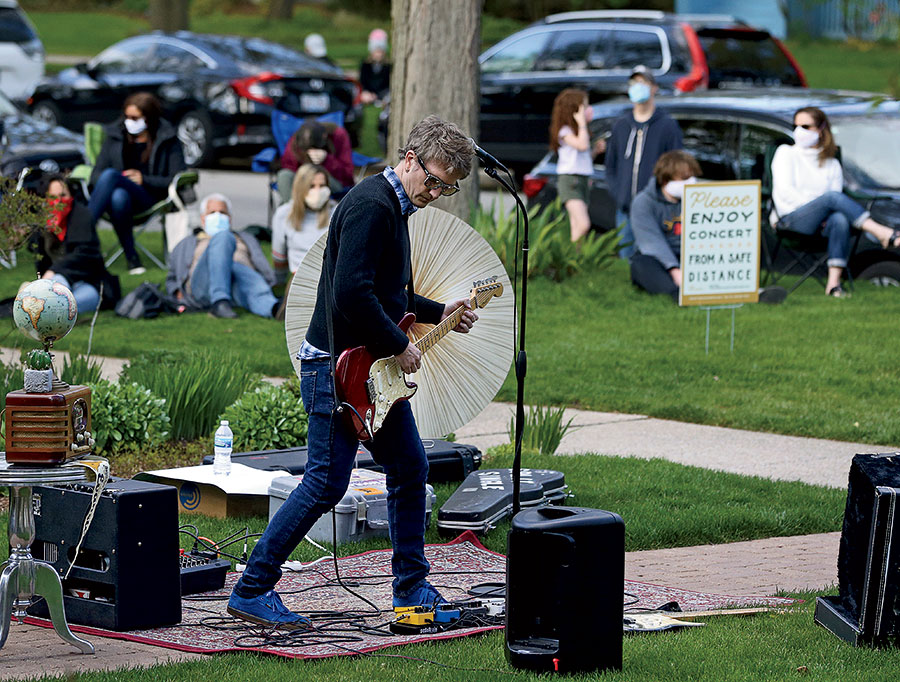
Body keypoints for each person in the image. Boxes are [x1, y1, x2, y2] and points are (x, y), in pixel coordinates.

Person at [227, 115, 478, 629]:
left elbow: (388, 294)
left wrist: (439, 311)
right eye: (433, 179)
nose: (436, 192)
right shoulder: (370, 205)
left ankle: (411, 592)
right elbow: (350, 294)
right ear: (409, 158)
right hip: (337, 368)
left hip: (367, 371)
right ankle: (252, 588)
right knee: (325, 483)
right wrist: (398, 344)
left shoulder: (393, 207)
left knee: (409, 468)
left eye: (447, 187)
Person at [771, 106, 900, 297]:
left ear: (821, 129)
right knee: (831, 199)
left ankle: (833, 285)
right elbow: (784, 195)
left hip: (822, 222)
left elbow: (834, 198)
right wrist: (819, 205)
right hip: (789, 219)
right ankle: (880, 231)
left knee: (839, 218)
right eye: (796, 126)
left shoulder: (831, 163)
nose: (799, 131)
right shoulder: (785, 153)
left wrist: (822, 208)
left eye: (806, 126)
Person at [88, 91, 186, 275]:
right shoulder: (116, 135)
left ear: (148, 118)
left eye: (135, 118)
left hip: (149, 197)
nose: (129, 122)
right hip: (116, 199)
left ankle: (82, 232)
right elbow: (96, 174)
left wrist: (144, 179)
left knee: (111, 176)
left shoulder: (167, 138)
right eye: (126, 117)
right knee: (118, 195)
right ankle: (133, 259)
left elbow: (176, 179)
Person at [605, 66, 683, 259]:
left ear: (654, 88)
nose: (637, 87)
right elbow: (611, 164)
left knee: (652, 258)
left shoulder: (667, 125)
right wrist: (618, 192)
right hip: (625, 209)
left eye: (643, 83)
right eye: (633, 83)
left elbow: (676, 166)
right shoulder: (622, 125)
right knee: (626, 260)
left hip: (655, 209)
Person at [165, 193, 279, 319]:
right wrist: (176, 290)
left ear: (229, 218)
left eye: (222, 212)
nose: (217, 216)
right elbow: (171, 277)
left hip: (241, 282)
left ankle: (275, 309)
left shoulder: (246, 239)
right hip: (203, 286)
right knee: (223, 237)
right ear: (203, 219)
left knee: (241, 274)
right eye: (212, 212)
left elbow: (261, 266)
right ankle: (220, 300)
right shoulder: (187, 243)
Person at [34, 174, 119, 313]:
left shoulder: (83, 216)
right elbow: (41, 261)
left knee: (64, 306)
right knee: (48, 297)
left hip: (89, 282)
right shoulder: (44, 224)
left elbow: (85, 255)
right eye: (54, 197)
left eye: (63, 195)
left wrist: (54, 271)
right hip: (56, 280)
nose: (59, 202)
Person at [629, 150, 702, 301]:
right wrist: (674, 270)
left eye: (691, 177)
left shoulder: (700, 199)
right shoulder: (643, 202)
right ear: (665, 181)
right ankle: (675, 295)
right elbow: (651, 242)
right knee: (641, 265)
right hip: (659, 258)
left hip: (691, 256)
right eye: (684, 178)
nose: (690, 182)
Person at [549, 88, 604, 242]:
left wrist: (595, 152)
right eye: (584, 107)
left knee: (576, 225)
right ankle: (570, 256)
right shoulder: (565, 131)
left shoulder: (580, 132)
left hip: (582, 179)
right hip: (570, 180)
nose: (588, 110)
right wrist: (581, 124)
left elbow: (583, 156)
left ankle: (574, 260)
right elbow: (581, 145)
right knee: (583, 224)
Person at [271, 164, 335, 283]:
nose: (317, 191)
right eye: (311, 186)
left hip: (330, 279)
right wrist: (279, 283)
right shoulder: (284, 214)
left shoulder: (336, 213)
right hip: (299, 279)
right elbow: (279, 258)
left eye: (321, 186)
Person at [277, 119, 354, 203]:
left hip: (329, 180)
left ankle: (318, 210)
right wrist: (303, 158)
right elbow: (287, 165)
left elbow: (347, 175)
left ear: (325, 137)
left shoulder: (338, 135)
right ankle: (292, 209)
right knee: (284, 175)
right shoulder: (297, 138)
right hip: (302, 179)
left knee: (316, 179)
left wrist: (327, 159)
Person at [360, 28, 391, 105]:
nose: (379, 54)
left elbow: (387, 84)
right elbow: (363, 81)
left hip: (383, 93)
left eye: (380, 51)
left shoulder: (387, 66)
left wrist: (378, 94)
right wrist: (367, 92)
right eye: (376, 51)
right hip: (369, 93)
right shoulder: (365, 65)